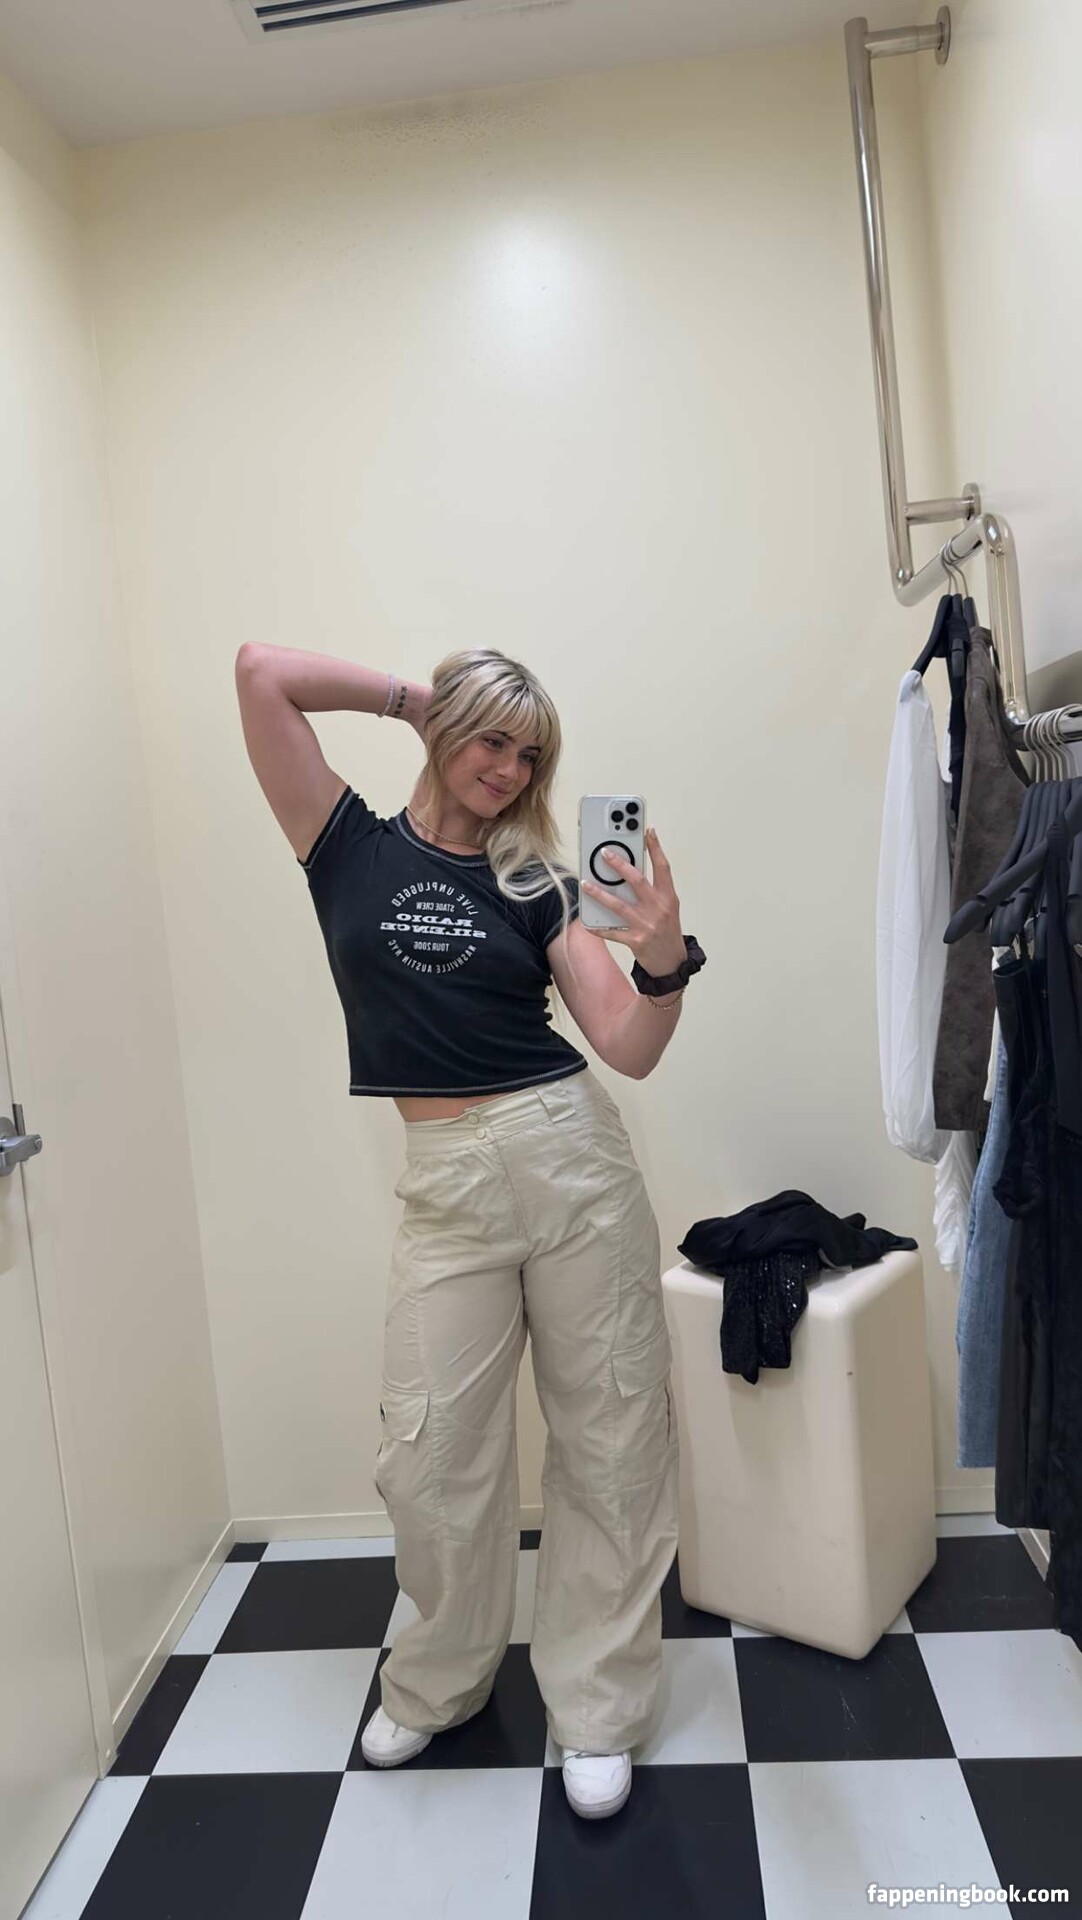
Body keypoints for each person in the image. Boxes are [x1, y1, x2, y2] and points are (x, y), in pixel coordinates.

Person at [234, 640, 705, 1819]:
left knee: (610, 1434)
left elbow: (627, 1046)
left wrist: (660, 961)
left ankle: (596, 1704)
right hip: (445, 1181)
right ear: (447, 729)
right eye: (492, 739)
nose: (508, 770)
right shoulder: (343, 841)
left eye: (530, 755)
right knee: (430, 1453)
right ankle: (439, 1679)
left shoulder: (536, 880)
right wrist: (412, 702)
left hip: (569, 1157)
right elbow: (259, 673)